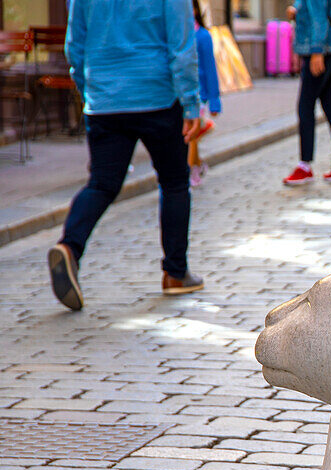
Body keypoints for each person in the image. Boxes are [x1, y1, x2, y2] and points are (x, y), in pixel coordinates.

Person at [49, 0, 204, 311]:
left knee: (102, 184)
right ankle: (175, 273)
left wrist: (90, 89)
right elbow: (181, 45)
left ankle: (69, 246)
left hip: (105, 99)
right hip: (158, 97)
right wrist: (190, 103)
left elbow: (74, 46)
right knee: (174, 183)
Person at [283, 0, 331, 184]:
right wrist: (296, 10)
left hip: (320, 51)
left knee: (305, 106)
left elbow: (319, 18)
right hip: (329, 48)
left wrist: (316, 52)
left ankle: (304, 166)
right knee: (330, 104)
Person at [190, 0, 221, 187]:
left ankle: (192, 170)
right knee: (187, 135)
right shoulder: (176, 36)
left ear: (194, 10)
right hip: (178, 94)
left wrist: (214, 100)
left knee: (191, 136)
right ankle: (197, 165)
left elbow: (210, 69)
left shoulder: (203, 36)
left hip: (198, 95)